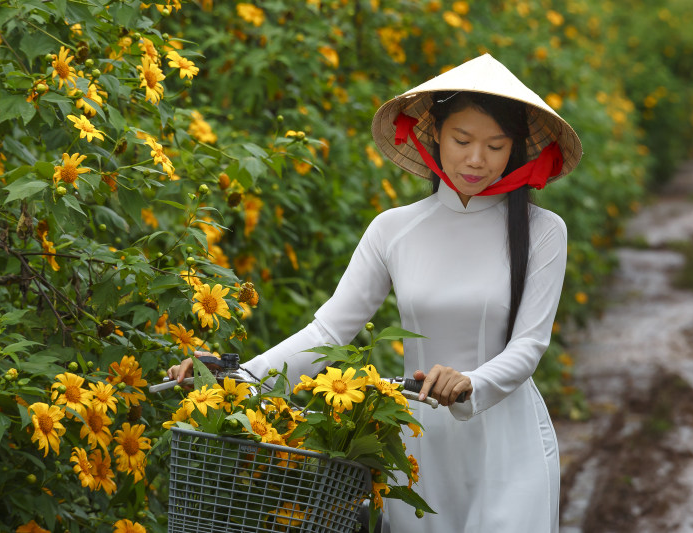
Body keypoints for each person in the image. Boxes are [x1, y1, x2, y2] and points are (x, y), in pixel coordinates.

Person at [168, 53, 582, 532]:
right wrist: (237, 378)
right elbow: (329, 330)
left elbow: (529, 346)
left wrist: (471, 382)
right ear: (435, 136)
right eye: (462, 140)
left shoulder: (543, 230)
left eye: (495, 145)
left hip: (511, 449)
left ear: (515, 150)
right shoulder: (394, 230)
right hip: (418, 454)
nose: (476, 159)